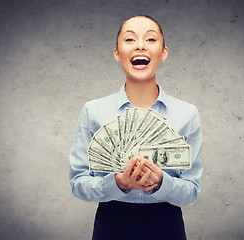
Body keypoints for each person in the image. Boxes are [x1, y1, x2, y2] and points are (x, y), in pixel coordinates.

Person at [69, 14, 203, 240]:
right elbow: (78, 183)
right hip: (111, 221)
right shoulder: (93, 111)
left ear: (163, 52)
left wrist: (162, 183)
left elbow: (192, 191)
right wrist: (117, 184)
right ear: (117, 53)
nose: (140, 45)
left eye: (150, 39)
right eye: (130, 39)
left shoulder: (187, 114)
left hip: (167, 223)